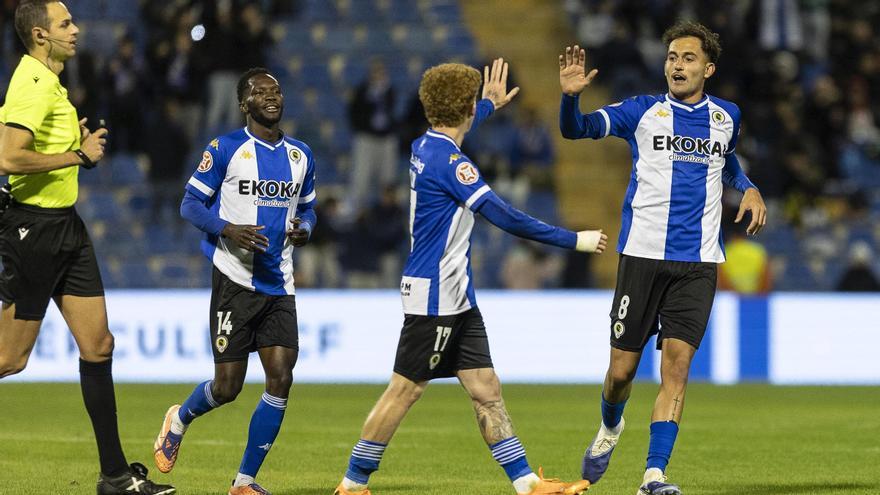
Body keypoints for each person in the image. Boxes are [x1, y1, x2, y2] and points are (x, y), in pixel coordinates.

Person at [333, 58, 606, 495]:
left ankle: (527, 483)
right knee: (404, 390)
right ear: (464, 107)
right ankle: (351, 484)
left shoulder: (424, 146)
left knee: (485, 388)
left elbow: (456, 125)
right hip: (435, 295)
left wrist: (487, 106)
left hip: (455, 295)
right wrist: (575, 240)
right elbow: (505, 215)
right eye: (472, 101)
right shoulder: (454, 164)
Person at [558, 20, 767, 495]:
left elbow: (727, 159)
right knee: (621, 374)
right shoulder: (642, 111)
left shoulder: (727, 116)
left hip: (698, 264)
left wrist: (749, 187)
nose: (677, 65)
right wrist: (571, 97)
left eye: (688, 58)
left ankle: (654, 475)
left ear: (708, 69)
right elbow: (577, 130)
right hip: (642, 258)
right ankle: (611, 427)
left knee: (676, 368)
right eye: (672, 57)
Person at [0, 2, 175, 494]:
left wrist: (69, 145)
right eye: (65, 25)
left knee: (99, 345)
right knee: (9, 360)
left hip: (65, 228)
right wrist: (76, 154)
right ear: (40, 34)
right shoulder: (31, 82)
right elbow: (7, 156)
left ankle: (115, 477)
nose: (76, 31)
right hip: (33, 232)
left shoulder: (46, 81)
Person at [152, 67, 317, 495]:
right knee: (227, 387)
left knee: (281, 377)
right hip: (234, 280)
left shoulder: (301, 156)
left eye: (277, 90)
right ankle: (179, 419)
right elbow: (189, 204)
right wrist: (228, 228)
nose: (272, 97)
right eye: (261, 92)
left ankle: (244, 481)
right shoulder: (225, 149)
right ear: (245, 103)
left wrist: (306, 228)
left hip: (279, 283)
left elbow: (310, 208)